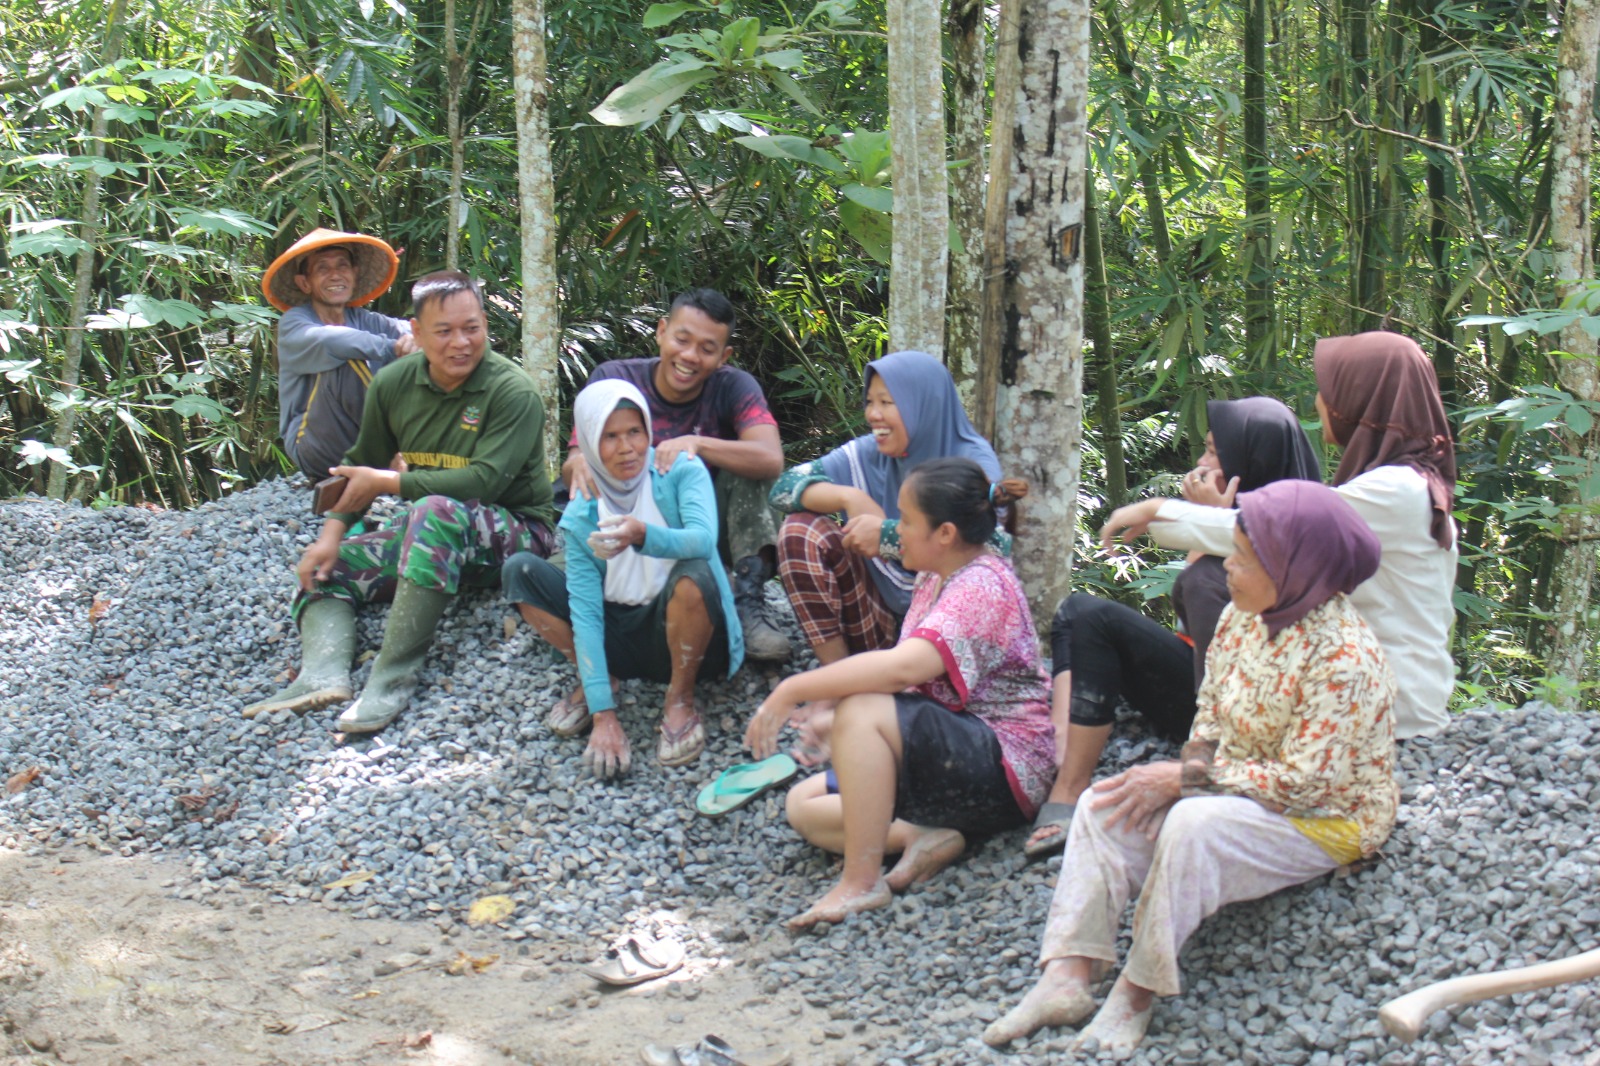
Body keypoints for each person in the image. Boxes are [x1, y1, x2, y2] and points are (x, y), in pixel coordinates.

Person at [985, 479, 1396, 1053]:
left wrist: (1189, 785)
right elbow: (1208, 718)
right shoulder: (1240, 618)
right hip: (1239, 786)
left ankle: (1136, 991)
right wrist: (1188, 775)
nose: (1228, 567)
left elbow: (1309, 785)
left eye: (1246, 560)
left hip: (1327, 818)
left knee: (1191, 825)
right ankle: (1067, 977)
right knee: (1106, 803)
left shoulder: (1345, 659)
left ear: (1295, 573)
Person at [746, 458, 1054, 930]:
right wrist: (836, 725)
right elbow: (915, 684)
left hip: (1007, 768)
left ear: (946, 533)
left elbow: (902, 669)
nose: (896, 530)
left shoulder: (982, 584)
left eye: (906, 520)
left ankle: (861, 882)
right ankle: (926, 833)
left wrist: (794, 688)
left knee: (863, 709)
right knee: (804, 804)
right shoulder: (938, 572)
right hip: (958, 748)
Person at [242, 271, 557, 733]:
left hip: (517, 538)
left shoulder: (512, 391)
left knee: (432, 511)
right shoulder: (395, 384)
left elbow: (484, 483)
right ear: (415, 332)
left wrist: (386, 483)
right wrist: (330, 536)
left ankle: (389, 681)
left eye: (471, 328)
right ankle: (322, 674)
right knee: (328, 568)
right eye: (444, 331)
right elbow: (360, 460)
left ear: (486, 324)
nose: (461, 343)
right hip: (435, 537)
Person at [1101, 331, 1457, 738]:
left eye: (1330, 391)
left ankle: (1219, 738)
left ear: (1365, 401)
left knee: (1211, 581)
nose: (1319, 403)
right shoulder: (1404, 483)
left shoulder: (1394, 491)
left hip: (1384, 714)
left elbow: (1274, 532)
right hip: (1379, 698)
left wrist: (1157, 510)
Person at [1024, 397, 1322, 859]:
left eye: (1213, 454)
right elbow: (1195, 623)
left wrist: (1213, 522)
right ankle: (1066, 776)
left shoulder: (1309, 531)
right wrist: (1213, 524)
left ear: (1251, 463)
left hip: (1248, 716)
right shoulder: (1224, 528)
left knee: (1202, 583)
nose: (1200, 464)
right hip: (1200, 684)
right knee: (1081, 614)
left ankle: (1188, 766)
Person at [504, 380, 743, 778]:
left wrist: (641, 535)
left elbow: (703, 540)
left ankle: (680, 698)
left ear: (649, 430)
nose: (627, 446)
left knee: (695, 574)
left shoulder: (678, 468)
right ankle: (601, 680)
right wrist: (604, 717)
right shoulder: (583, 510)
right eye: (610, 436)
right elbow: (586, 611)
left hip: (688, 633)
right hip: (625, 638)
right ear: (591, 445)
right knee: (520, 572)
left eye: (635, 431)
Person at [561, 290, 789, 662]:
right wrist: (582, 462)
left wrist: (695, 443)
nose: (689, 356)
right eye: (682, 340)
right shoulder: (616, 379)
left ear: (723, 356)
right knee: (547, 571)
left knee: (754, 473)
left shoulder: (733, 386)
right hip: (623, 528)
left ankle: (745, 600)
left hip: (700, 528)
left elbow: (770, 458)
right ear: (662, 331)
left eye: (706, 348)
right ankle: (599, 624)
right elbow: (573, 462)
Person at [770, 350, 1004, 668]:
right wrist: (849, 497)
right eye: (870, 402)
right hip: (876, 617)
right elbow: (782, 489)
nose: (873, 414)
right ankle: (839, 682)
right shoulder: (872, 450)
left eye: (887, 403)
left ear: (923, 405)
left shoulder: (970, 460)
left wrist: (887, 535)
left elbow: (993, 549)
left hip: (945, 632)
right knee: (799, 530)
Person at [261, 228, 420, 480]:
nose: (335, 275)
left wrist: (420, 340)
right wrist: (393, 347)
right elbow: (332, 341)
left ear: (354, 274)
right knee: (347, 359)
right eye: (322, 269)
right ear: (305, 283)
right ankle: (395, 458)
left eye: (342, 266)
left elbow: (414, 332)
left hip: (365, 443)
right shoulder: (294, 322)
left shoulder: (365, 319)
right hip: (314, 446)